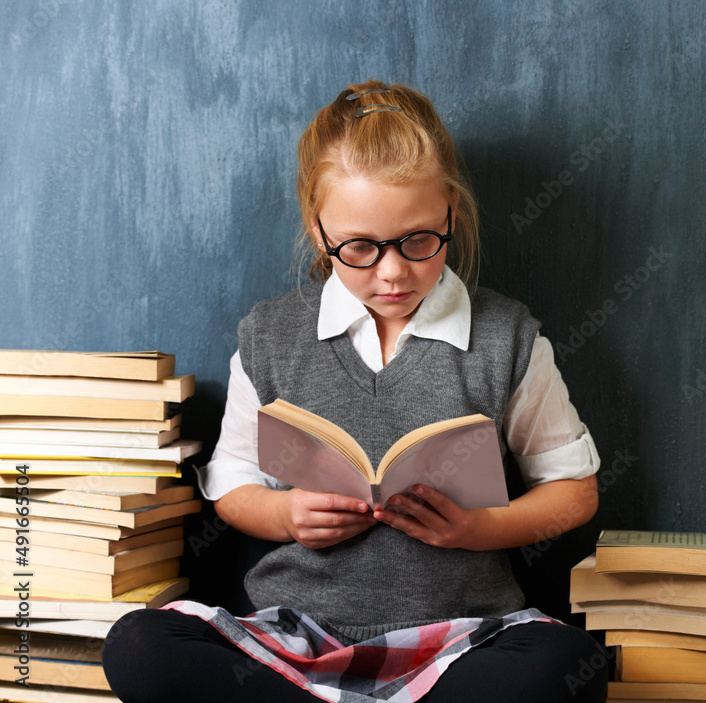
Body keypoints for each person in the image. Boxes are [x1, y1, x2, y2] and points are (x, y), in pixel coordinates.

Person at [102, 80, 605, 703]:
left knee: (565, 664)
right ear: (318, 231)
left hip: (461, 640)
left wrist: (474, 529)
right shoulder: (270, 337)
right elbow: (231, 486)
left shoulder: (507, 338)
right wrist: (286, 516)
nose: (392, 272)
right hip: (299, 640)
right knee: (139, 647)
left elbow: (574, 493)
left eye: (419, 240)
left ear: (450, 211)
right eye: (360, 248)